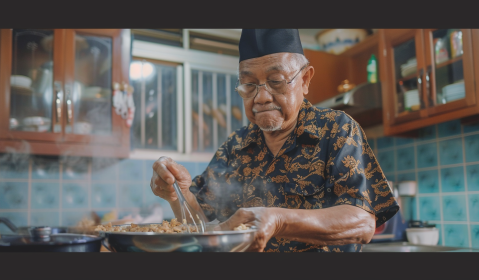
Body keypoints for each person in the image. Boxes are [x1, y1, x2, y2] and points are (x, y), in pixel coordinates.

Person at [150, 29, 399, 252]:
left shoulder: (336, 129)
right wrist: (177, 194)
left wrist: (279, 220)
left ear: (305, 80)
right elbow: (200, 222)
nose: (260, 97)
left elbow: (362, 223)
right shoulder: (235, 146)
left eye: (276, 81)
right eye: (249, 85)